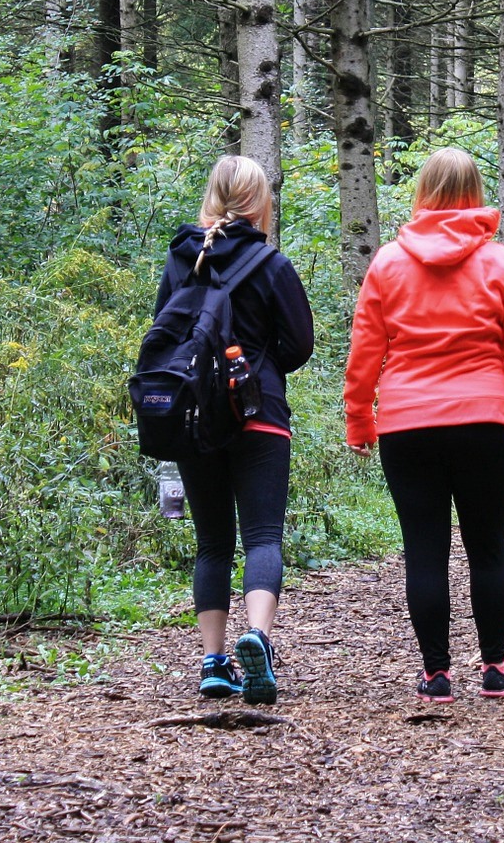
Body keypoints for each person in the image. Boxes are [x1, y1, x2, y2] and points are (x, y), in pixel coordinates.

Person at [343, 148, 504, 702]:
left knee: (424, 549)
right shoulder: (501, 263)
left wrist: (359, 420)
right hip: (483, 422)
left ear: (423, 192)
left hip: (406, 426)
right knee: (488, 549)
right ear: (476, 194)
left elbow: (365, 353)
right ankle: (495, 668)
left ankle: (437, 674)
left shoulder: (388, 263)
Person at [154, 155, 313, 704]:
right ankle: (259, 640)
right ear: (259, 201)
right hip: (259, 412)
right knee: (263, 535)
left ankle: (213, 662)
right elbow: (300, 346)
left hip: (196, 418)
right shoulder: (270, 263)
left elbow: (165, 337)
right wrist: (259, 363)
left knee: (213, 543)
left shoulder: (181, 258)